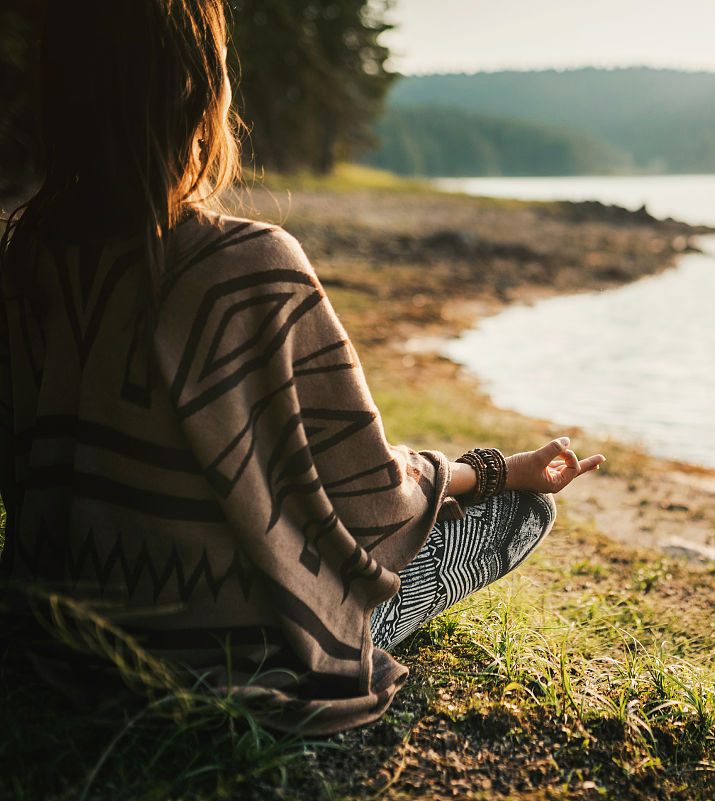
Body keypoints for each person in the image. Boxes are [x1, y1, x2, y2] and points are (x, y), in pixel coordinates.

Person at [0, 0, 602, 734]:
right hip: (246, 657)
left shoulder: (28, 257)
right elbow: (374, 502)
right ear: (198, 87)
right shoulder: (250, 266)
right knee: (519, 512)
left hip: (64, 636)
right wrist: (497, 469)